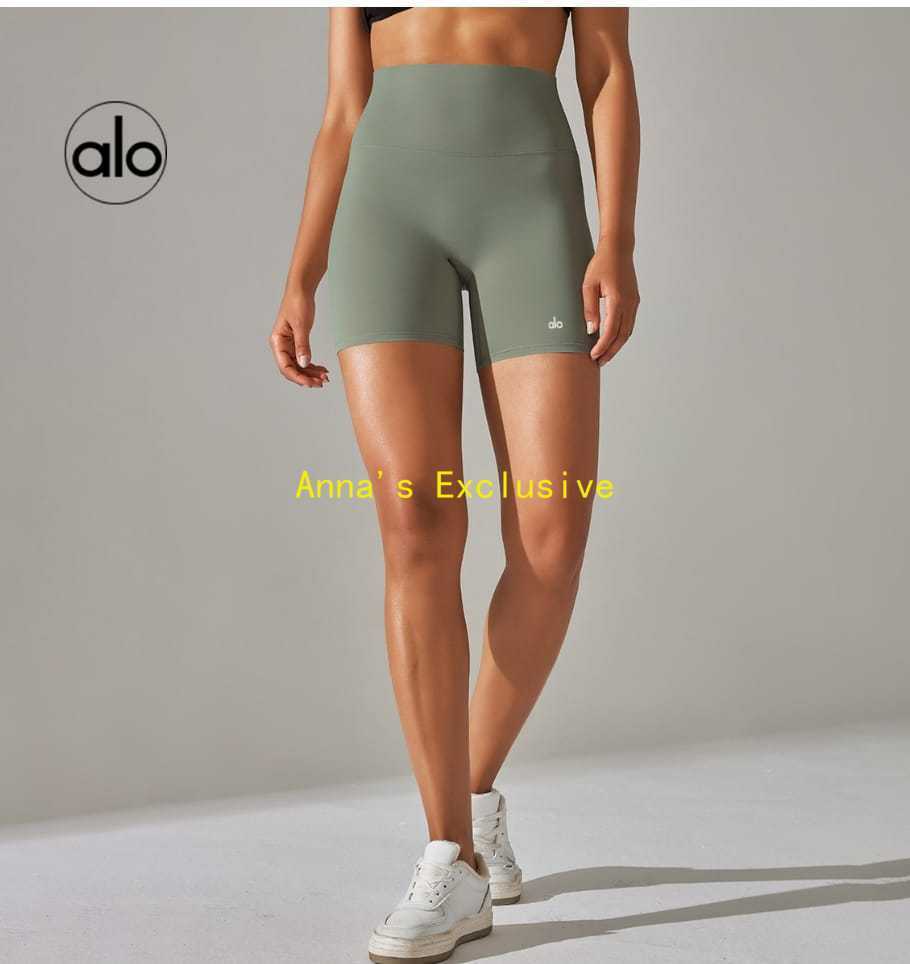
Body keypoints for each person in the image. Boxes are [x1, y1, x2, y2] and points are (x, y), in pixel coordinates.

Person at [269, 7, 640, 962]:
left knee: (552, 541)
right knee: (417, 526)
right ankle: (451, 856)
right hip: (385, 208)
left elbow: (604, 71)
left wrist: (617, 240)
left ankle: (471, 792)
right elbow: (344, 108)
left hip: (531, 204)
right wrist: (304, 269)